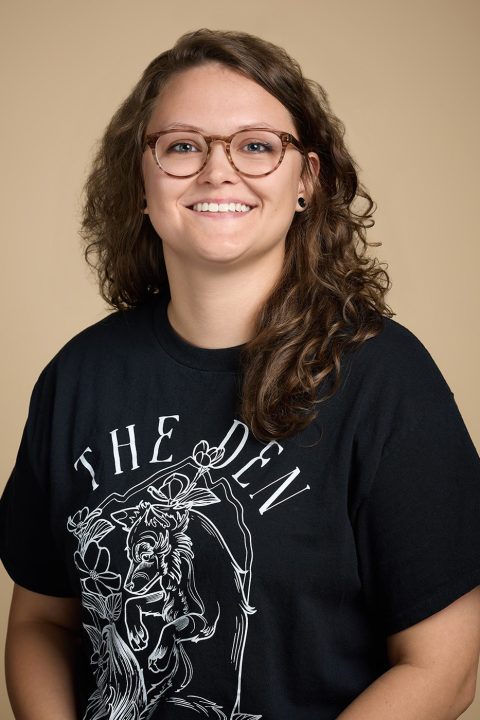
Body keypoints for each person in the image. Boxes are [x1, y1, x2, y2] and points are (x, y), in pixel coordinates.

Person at [1, 28, 480, 720]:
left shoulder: (387, 382)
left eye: (257, 145)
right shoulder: (79, 376)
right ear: (141, 180)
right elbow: (39, 625)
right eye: (183, 145)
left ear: (305, 181)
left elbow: (446, 666)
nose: (218, 171)